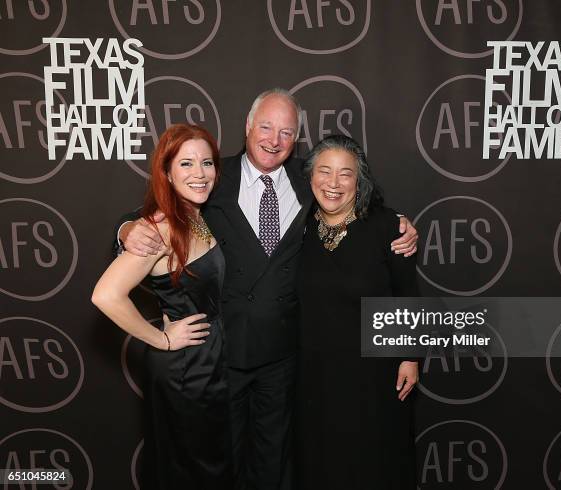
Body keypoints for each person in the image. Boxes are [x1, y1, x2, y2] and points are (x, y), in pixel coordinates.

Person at [117, 88, 418, 490]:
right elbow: (154, 212)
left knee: (274, 461)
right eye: (266, 127)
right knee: (221, 460)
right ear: (247, 128)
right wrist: (126, 229)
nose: (274, 140)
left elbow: (354, 201)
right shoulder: (211, 177)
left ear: (297, 141)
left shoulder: (308, 178)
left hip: (284, 355)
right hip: (222, 353)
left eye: (287, 133)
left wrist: (399, 224)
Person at [93, 124, 232, 490]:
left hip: (209, 362)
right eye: (186, 164)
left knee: (205, 466)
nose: (199, 173)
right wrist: (163, 340)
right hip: (186, 370)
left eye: (207, 163)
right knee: (189, 469)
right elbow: (105, 295)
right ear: (166, 173)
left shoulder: (196, 215)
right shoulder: (162, 227)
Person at [295, 134, 419, 489]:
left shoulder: (387, 228)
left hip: (374, 376)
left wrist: (410, 356)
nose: (333, 183)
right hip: (313, 375)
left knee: (374, 460)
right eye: (325, 171)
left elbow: (407, 294)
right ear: (310, 177)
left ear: (359, 181)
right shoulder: (297, 227)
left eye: (345, 174)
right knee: (321, 460)